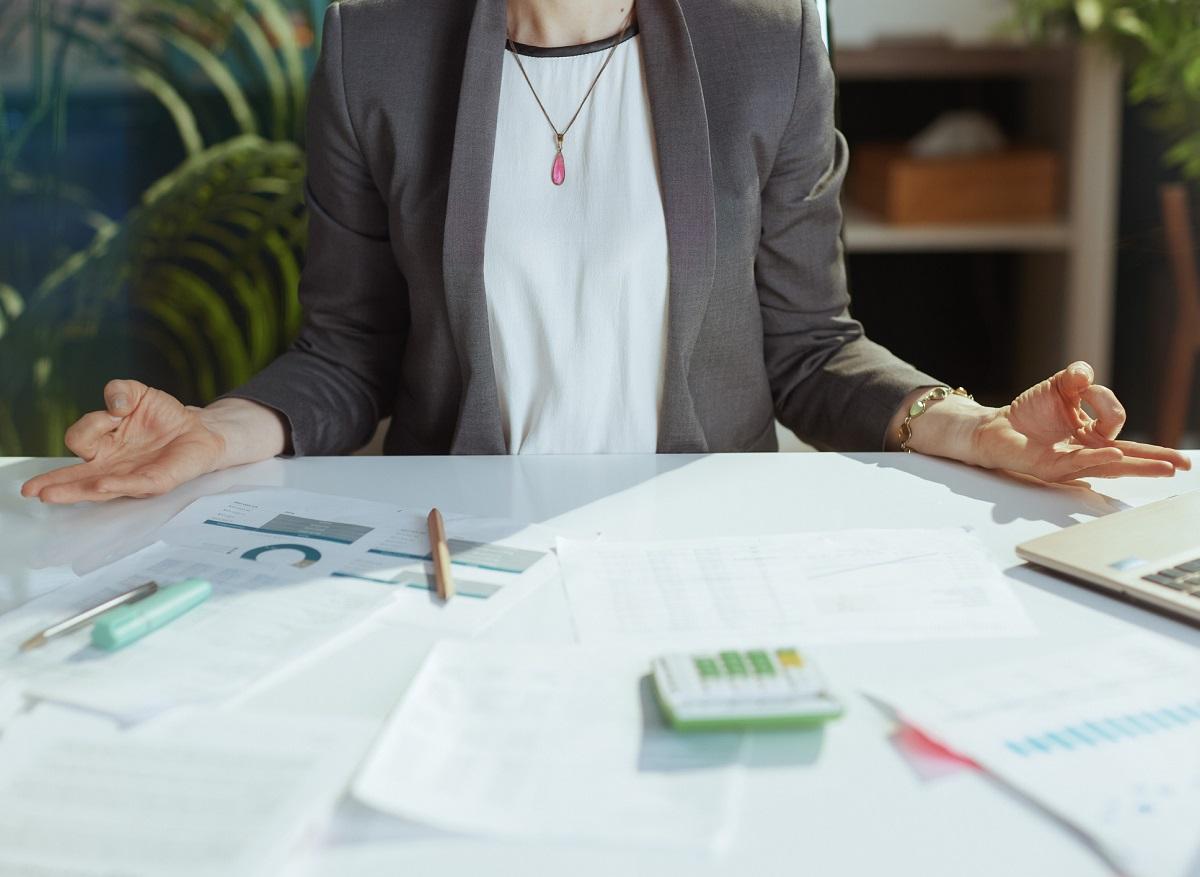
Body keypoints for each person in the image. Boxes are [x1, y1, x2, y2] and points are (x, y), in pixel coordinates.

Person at [21, 0, 1190, 505]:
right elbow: (348, 348)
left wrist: (970, 427)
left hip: (690, 540)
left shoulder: (764, 45)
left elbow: (806, 344)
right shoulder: (376, 52)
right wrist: (216, 432)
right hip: (457, 545)